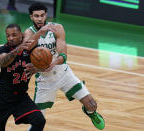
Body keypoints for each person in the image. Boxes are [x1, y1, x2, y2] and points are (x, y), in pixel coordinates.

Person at [24, 2, 105, 130]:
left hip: (64, 73)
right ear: (31, 17)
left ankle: (90, 113)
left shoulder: (57, 28)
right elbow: (26, 48)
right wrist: (40, 33)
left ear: (46, 15)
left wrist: (53, 62)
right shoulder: (29, 33)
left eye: (42, 15)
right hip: (45, 80)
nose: (39, 19)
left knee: (92, 104)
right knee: (38, 121)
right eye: (36, 16)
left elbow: (63, 55)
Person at [0, 23, 46, 131]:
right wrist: (18, 49)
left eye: (14, 35)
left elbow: (45, 66)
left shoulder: (32, 50)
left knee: (39, 120)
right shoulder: (3, 49)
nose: (10, 38)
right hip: (2, 96)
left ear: (21, 35)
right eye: (8, 35)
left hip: (20, 96)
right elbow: (3, 62)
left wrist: (36, 69)